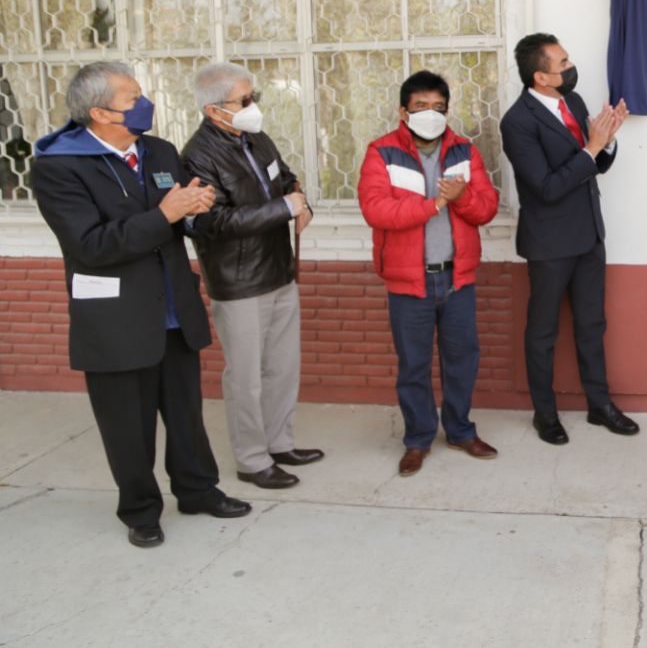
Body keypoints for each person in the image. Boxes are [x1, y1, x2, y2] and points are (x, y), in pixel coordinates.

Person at [32, 62, 251, 549]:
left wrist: (194, 208)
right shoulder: (60, 166)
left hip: (173, 306)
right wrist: (165, 213)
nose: (143, 103)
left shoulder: (159, 151)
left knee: (186, 414)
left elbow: (175, 222)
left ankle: (197, 490)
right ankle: (140, 510)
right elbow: (90, 245)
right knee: (127, 424)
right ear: (98, 111)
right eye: (133, 98)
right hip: (116, 318)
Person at [181, 63, 324, 490]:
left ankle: (280, 443)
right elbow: (213, 222)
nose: (253, 106)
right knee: (245, 377)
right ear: (213, 110)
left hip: (279, 269)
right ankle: (251, 459)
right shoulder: (197, 156)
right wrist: (284, 209)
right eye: (244, 101)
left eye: (253, 97)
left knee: (282, 368)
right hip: (239, 281)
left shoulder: (256, 139)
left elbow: (286, 179)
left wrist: (303, 205)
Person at [358, 71, 500, 476]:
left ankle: (459, 430)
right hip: (409, 281)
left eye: (439, 108)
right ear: (403, 111)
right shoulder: (381, 152)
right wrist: (435, 204)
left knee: (462, 359)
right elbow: (377, 211)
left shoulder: (464, 152)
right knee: (414, 366)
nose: (431, 115)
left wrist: (462, 196)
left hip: (457, 278)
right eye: (421, 107)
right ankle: (418, 439)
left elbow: (486, 208)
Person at [499, 33, 636, 445]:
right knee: (542, 333)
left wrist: (605, 143)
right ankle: (546, 415)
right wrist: (591, 148)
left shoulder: (572, 104)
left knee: (592, 325)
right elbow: (546, 186)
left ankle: (600, 405)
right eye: (562, 63)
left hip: (589, 234)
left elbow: (593, 166)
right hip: (550, 242)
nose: (570, 67)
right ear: (540, 76)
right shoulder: (517, 122)